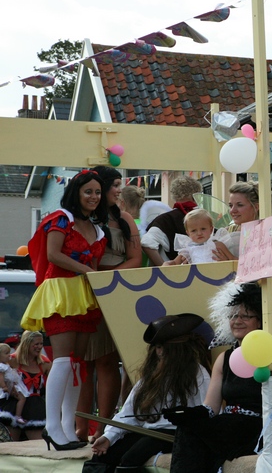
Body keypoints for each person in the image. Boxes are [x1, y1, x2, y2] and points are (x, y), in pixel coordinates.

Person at [21, 169, 109, 450]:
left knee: (77, 362)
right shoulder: (61, 218)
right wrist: (87, 271)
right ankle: (51, 426)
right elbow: (53, 255)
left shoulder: (98, 228)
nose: (93, 197)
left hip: (84, 295)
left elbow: (94, 266)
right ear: (76, 193)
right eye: (88, 191)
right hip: (59, 291)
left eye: (97, 192)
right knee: (61, 359)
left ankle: (68, 428)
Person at [166, 281, 272, 472]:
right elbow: (211, 407)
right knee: (189, 427)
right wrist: (191, 414)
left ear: (260, 320)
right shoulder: (224, 358)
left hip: (260, 426)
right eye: (233, 316)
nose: (237, 321)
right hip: (228, 424)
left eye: (245, 316)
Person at [84, 314, 211, 473]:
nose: (159, 353)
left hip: (174, 434)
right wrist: (109, 436)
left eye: (162, 347)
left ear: (177, 349)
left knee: (130, 460)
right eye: (157, 347)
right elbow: (127, 413)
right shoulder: (150, 376)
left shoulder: (198, 374)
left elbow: (207, 412)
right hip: (146, 432)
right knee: (101, 458)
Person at [77, 165, 142, 443]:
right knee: (82, 363)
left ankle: (103, 428)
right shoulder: (80, 218)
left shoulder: (124, 218)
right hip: (82, 293)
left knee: (106, 361)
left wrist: (105, 278)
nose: (119, 190)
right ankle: (78, 427)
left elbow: (135, 259)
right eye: (115, 184)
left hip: (114, 293)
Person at [140, 175, 202, 266]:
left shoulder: (165, 219)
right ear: (196, 194)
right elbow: (147, 243)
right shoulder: (202, 216)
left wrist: (164, 270)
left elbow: (147, 243)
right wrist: (165, 269)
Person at [0, 331, 50, 440]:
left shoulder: (45, 363)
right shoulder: (12, 360)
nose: (39, 347)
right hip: (14, 403)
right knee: (10, 445)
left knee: (39, 444)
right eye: (36, 344)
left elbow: (54, 387)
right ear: (26, 344)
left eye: (41, 344)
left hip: (35, 407)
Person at [211, 181, 260, 261]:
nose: (232, 210)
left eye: (240, 205)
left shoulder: (269, 235)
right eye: (230, 205)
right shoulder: (226, 232)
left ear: (256, 207)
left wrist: (230, 260)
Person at [164, 209, 231, 266]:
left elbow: (234, 260)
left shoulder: (217, 245)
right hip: (197, 278)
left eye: (203, 229)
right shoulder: (188, 249)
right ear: (188, 233)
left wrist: (226, 261)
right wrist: (166, 263)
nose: (199, 233)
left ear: (211, 229)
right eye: (193, 231)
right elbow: (175, 262)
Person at [0, 343, 29, 427]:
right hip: (4, 389)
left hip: (10, 388)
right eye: (6, 353)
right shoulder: (1, 366)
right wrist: (4, 387)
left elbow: (10, 379)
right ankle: (18, 416)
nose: (9, 355)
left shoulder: (7, 365)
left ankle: (18, 416)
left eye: (9, 352)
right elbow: (1, 378)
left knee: (22, 398)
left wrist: (13, 389)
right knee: (22, 399)